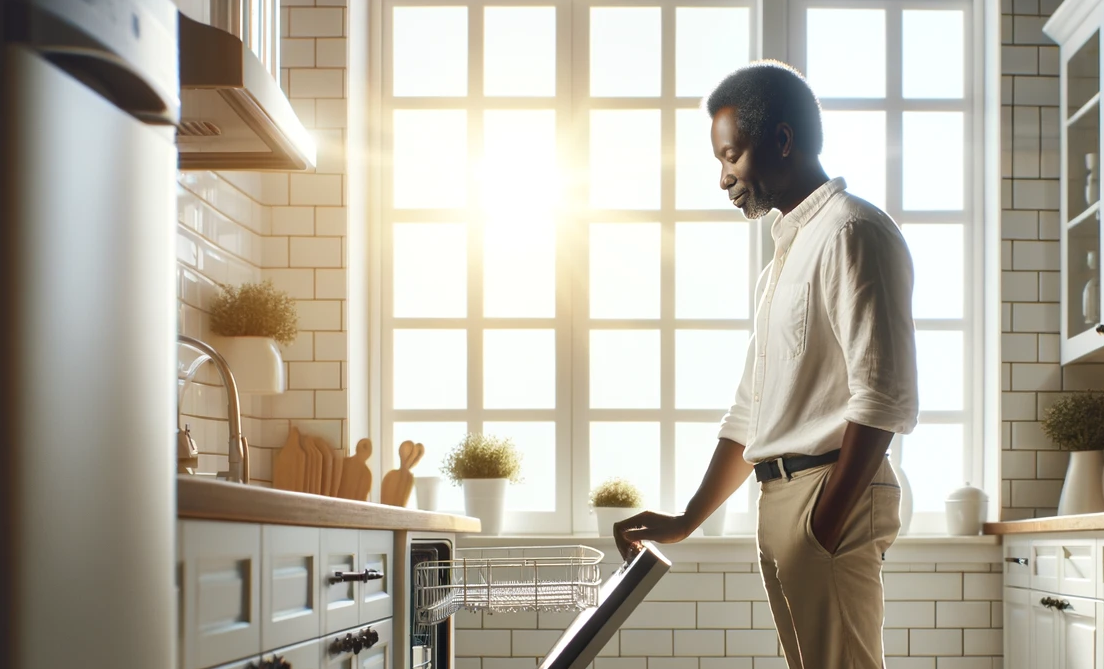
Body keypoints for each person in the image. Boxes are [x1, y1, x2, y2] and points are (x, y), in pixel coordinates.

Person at [613, 60, 919, 669]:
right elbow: (752, 410)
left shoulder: (852, 232)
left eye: (732, 156)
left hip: (825, 496)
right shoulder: (785, 259)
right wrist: (685, 520)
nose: (724, 178)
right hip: (783, 500)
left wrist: (823, 526)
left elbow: (883, 397)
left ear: (781, 141)